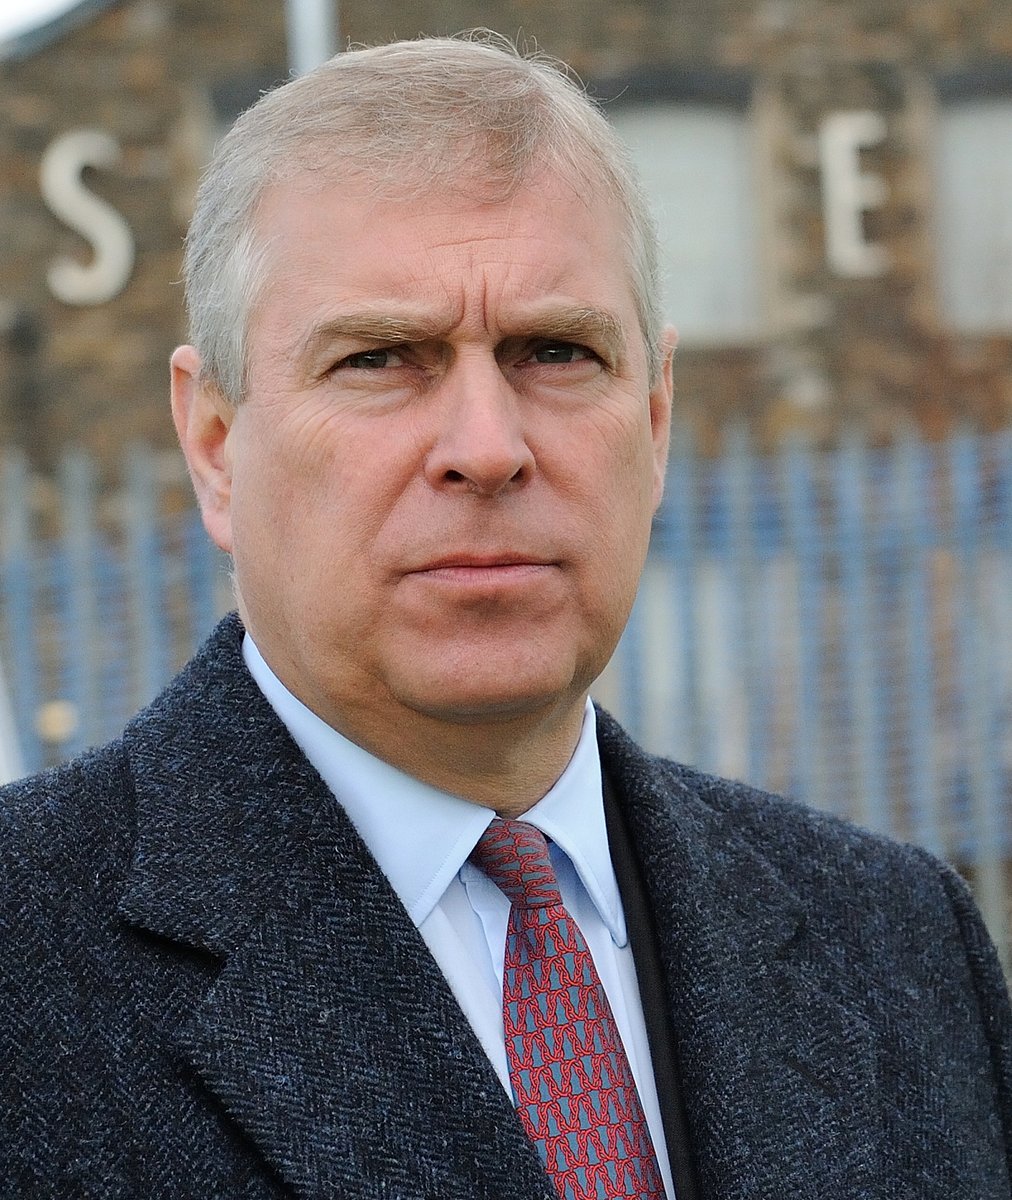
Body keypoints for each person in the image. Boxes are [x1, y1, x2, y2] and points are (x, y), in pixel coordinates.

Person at [2, 33, 1010, 1200]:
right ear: (217, 446)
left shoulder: (897, 940)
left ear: (655, 417)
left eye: (554, 350)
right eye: (382, 358)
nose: (487, 447)